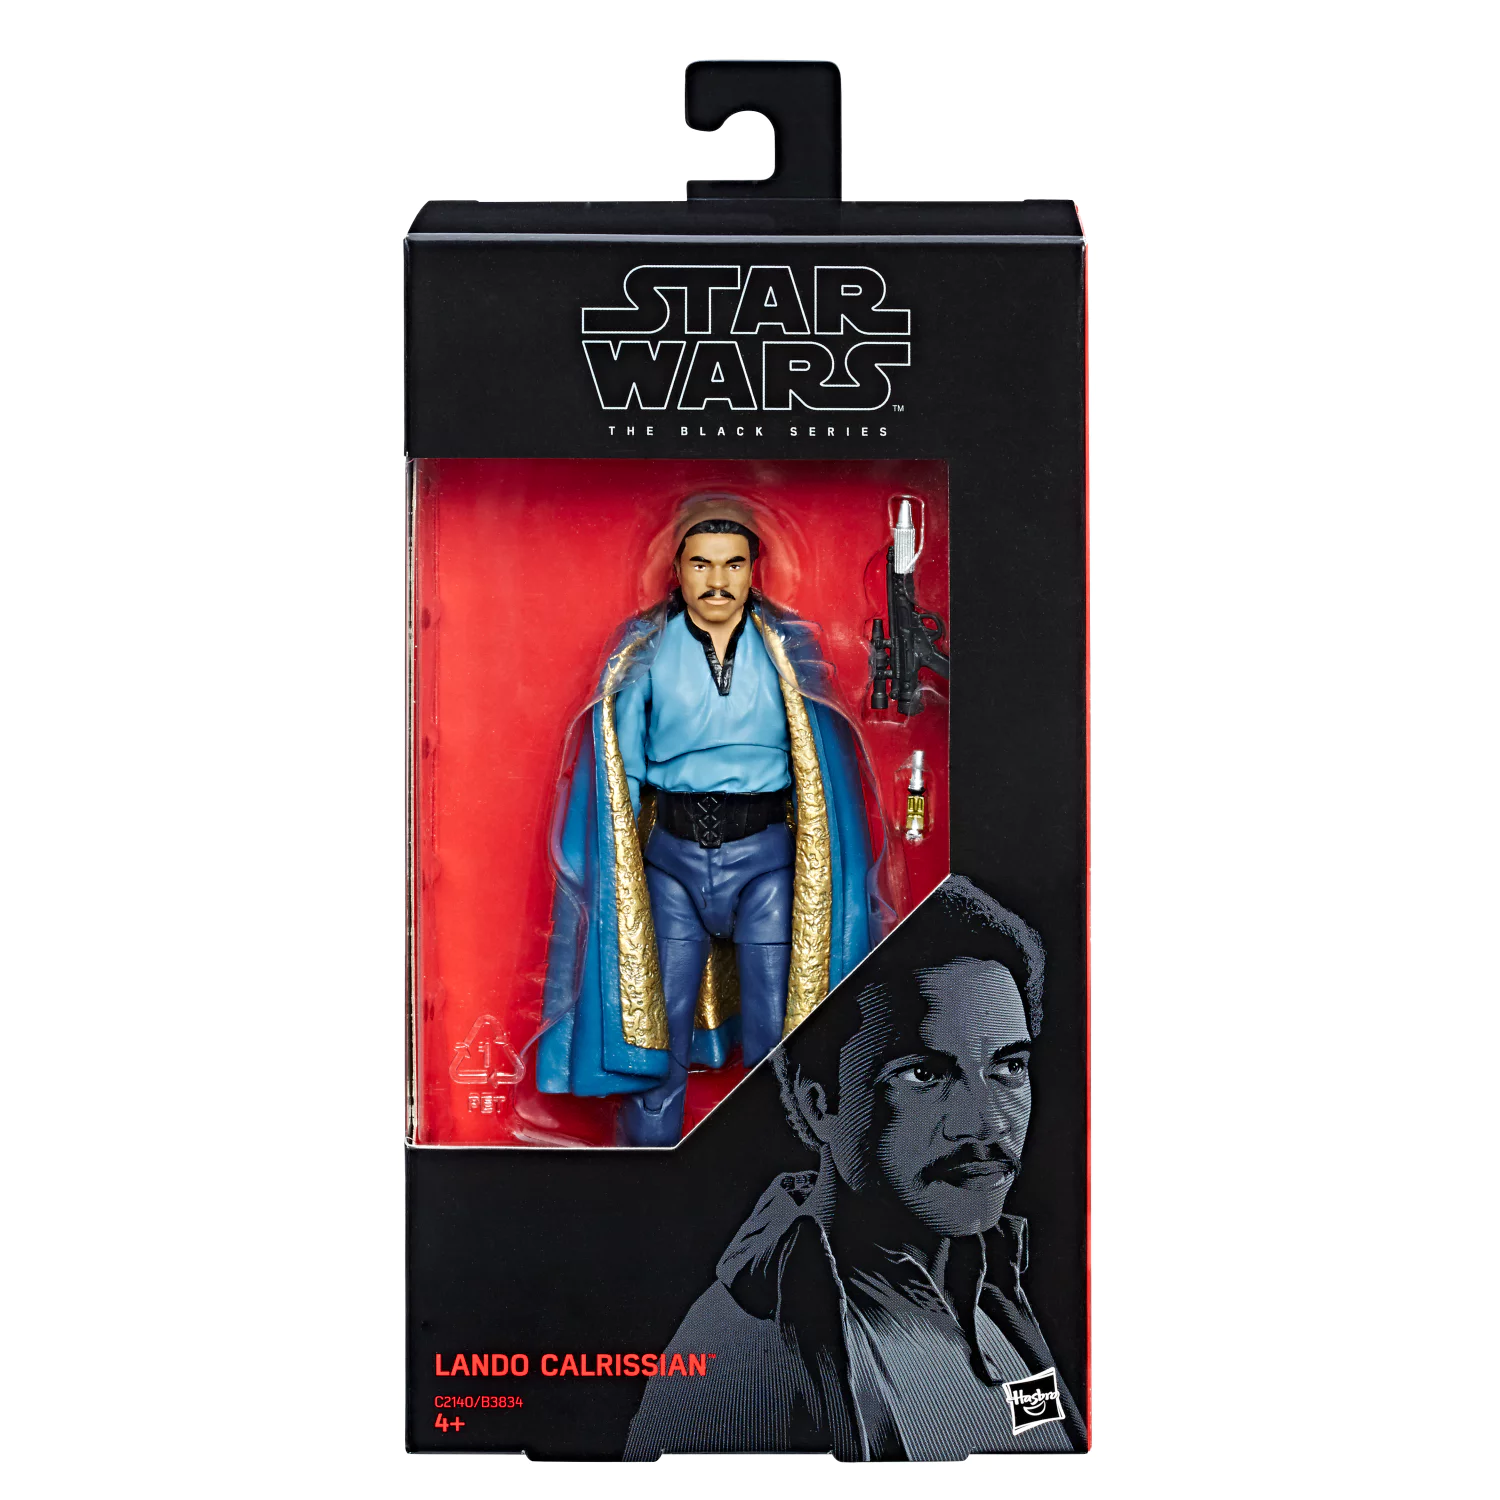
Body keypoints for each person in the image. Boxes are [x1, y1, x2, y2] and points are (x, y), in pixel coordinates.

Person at [624, 876, 1087, 1458]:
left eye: (1009, 1068)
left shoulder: (986, 1283)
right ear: (819, 1105)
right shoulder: (751, 1357)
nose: (986, 1124)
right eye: (925, 1075)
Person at [536, 495, 877, 1145]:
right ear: (678, 570)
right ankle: (647, 1170)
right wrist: (615, 866)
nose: (717, 579)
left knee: (782, 1024)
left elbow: (821, 766)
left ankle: (779, 1163)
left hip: (767, 860)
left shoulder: (789, 649)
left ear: (754, 569)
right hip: (671, 860)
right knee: (652, 1029)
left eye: (732, 564)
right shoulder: (643, 649)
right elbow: (618, 767)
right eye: (701, 564)